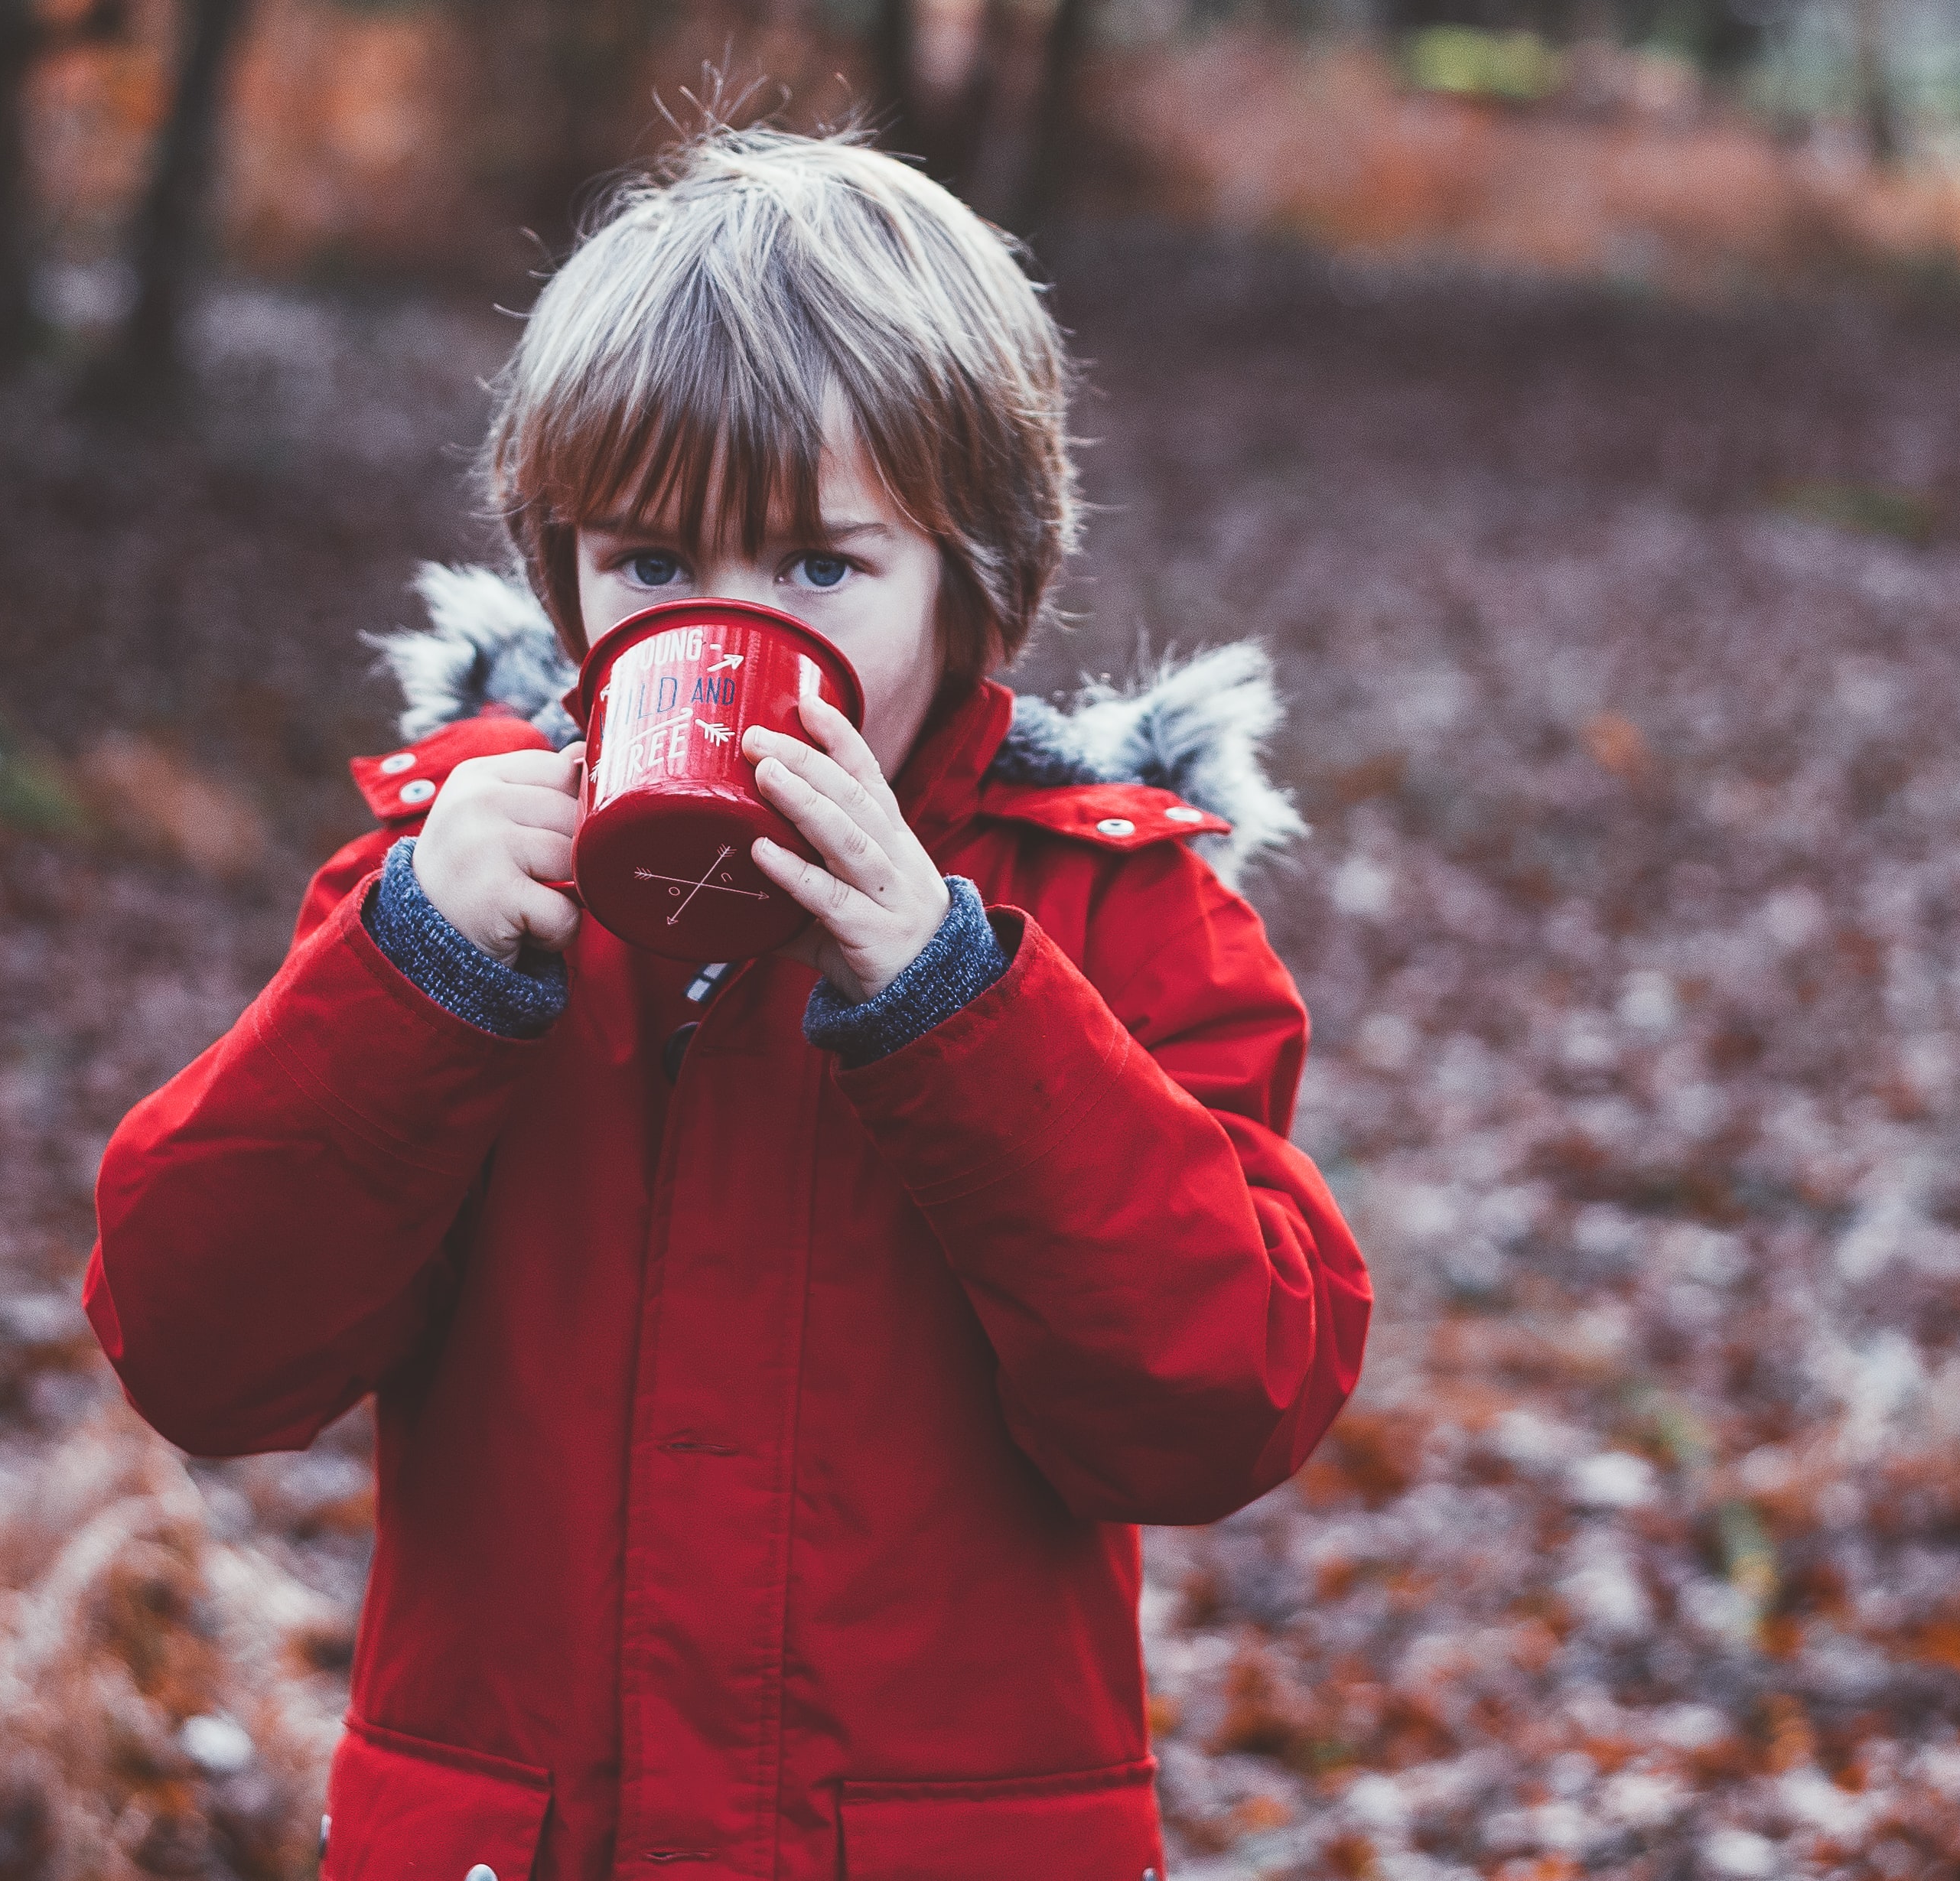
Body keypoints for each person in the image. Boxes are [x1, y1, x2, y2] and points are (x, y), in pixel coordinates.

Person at [83, 125, 1372, 1880]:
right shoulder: (451, 889)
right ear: (562, 573)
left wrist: (955, 1004)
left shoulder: (1106, 913)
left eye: (821, 567)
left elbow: (1222, 1401)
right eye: (651, 562)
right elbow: (198, 1347)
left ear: (975, 581)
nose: (727, 623)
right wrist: (418, 975)